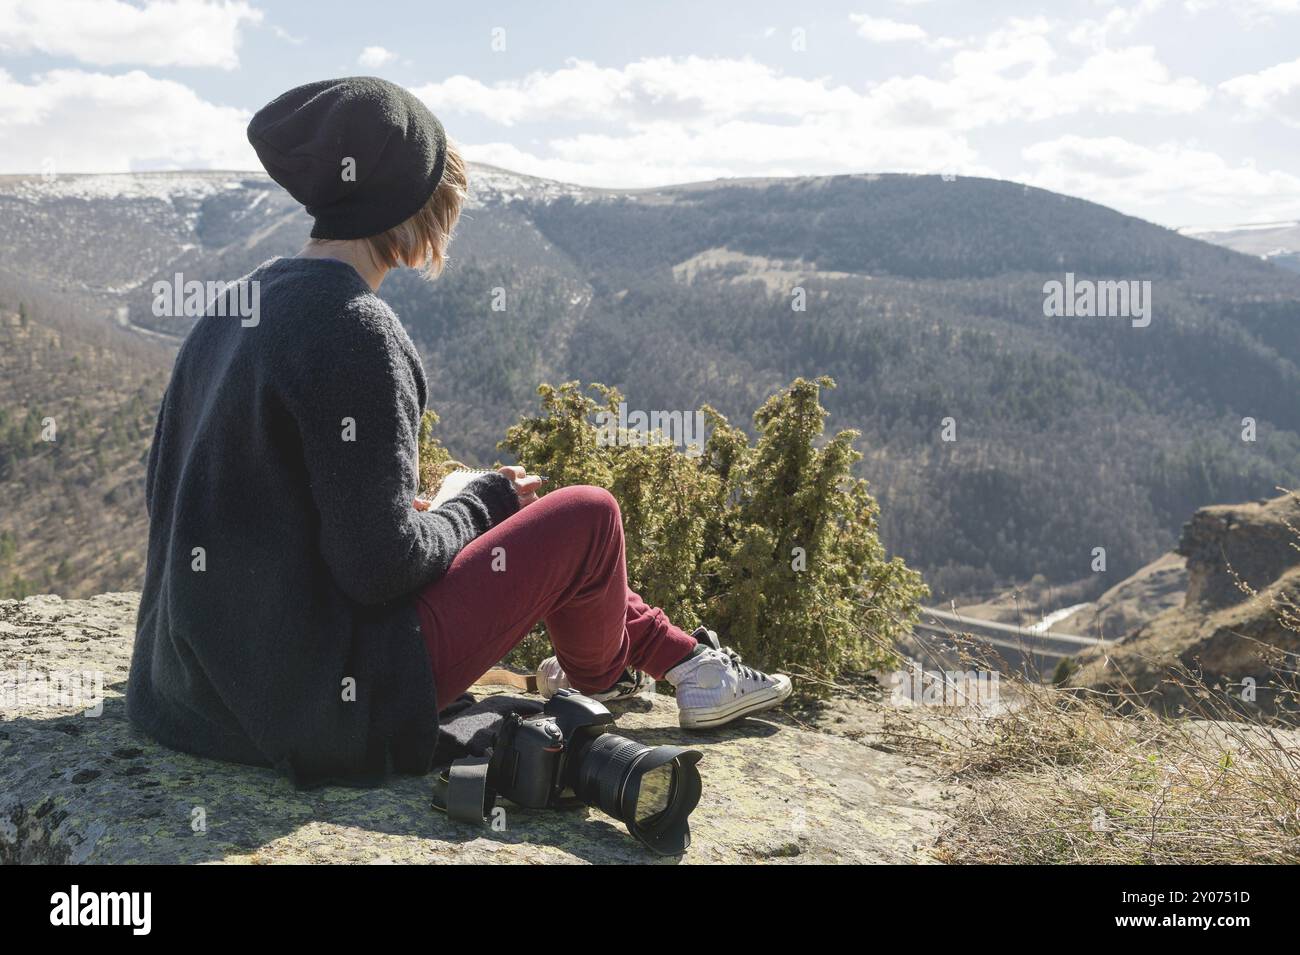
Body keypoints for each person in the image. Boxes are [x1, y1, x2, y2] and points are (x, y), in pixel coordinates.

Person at [126, 77, 790, 783]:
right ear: (415, 202)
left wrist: (429, 512)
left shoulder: (238, 302)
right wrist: (481, 505)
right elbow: (380, 570)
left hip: (188, 695)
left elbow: (189, 494)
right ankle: (605, 673)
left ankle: (682, 661)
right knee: (587, 517)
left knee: (501, 510)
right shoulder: (354, 328)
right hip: (318, 707)